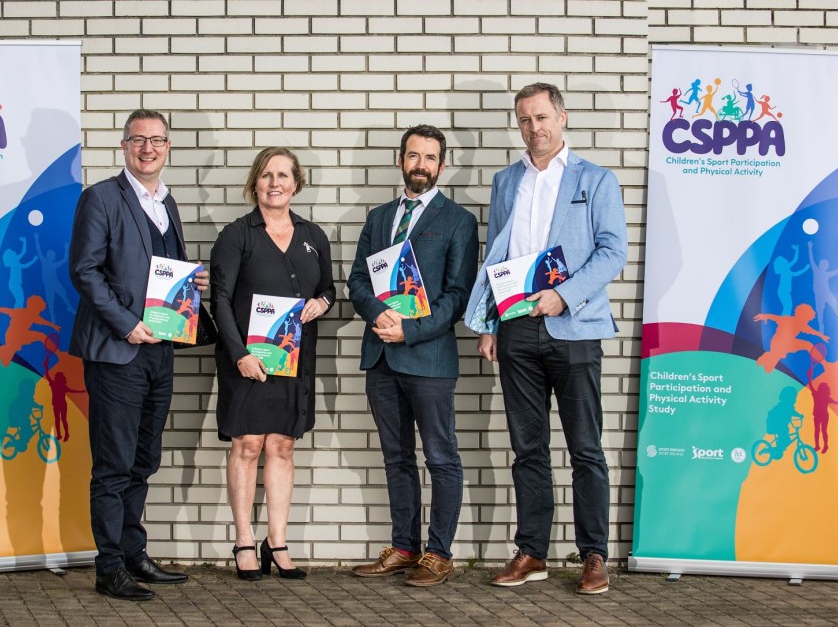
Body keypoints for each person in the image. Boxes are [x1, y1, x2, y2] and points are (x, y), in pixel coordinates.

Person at [465, 83, 627, 595]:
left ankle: (593, 555)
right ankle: (532, 551)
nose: (534, 129)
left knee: (585, 448)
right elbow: (496, 254)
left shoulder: (596, 179)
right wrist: (490, 322)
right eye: (524, 121)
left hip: (573, 327)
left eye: (541, 118)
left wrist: (566, 295)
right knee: (527, 448)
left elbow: (612, 251)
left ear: (561, 117)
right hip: (516, 328)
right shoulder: (506, 180)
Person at [69, 109, 208, 601]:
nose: (148, 148)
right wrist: (128, 326)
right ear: (124, 146)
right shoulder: (101, 198)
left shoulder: (166, 203)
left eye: (158, 141)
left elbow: (153, 271)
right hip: (117, 351)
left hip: (160, 351)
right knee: (113, 462)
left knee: (144, 459)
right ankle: (108, 567)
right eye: (138, 140)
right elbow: (85, 271)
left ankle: (133, 552)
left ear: (168, 147)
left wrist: (189, 287)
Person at [347, 125, 478, 587]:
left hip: (429, 358)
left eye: (430, 157)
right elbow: (356, 282)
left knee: (441, 457)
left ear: (441, 166)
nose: (420, 164)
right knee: (396, 457)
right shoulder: (379, 217)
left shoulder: (458, 221)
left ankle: (438, 554)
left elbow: (458, 295)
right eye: (413, 155)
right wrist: (382, 315)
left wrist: (411, 329)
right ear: (400, 159)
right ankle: (404, 547)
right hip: (381, 356)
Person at [210, 147, 335, 581]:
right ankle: (244, 540)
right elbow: (219, 301)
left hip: (294, 359)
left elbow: (330, 289)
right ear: (255, 183)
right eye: (266, 175)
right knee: (247, 446)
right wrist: (239, 355)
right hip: (247, 361)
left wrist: (322, 302)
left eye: (283, 175)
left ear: (296, 184)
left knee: (282, 446)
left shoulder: (314, 235)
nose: (275, 182)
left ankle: (276, 541)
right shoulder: (236, 235)